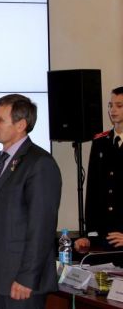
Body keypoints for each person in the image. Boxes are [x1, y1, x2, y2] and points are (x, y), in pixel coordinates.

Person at [0, 94, 62, 309]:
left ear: (21, 125)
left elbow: (41, 227)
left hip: (21, 281)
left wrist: (27, 277)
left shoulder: (40, 163)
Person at [75, 86, 123, 253]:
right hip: (104, 234)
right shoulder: (100, 141)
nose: (113, 110)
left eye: (119, 105)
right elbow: (93, 189)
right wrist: (91, 233)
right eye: (110, 105)